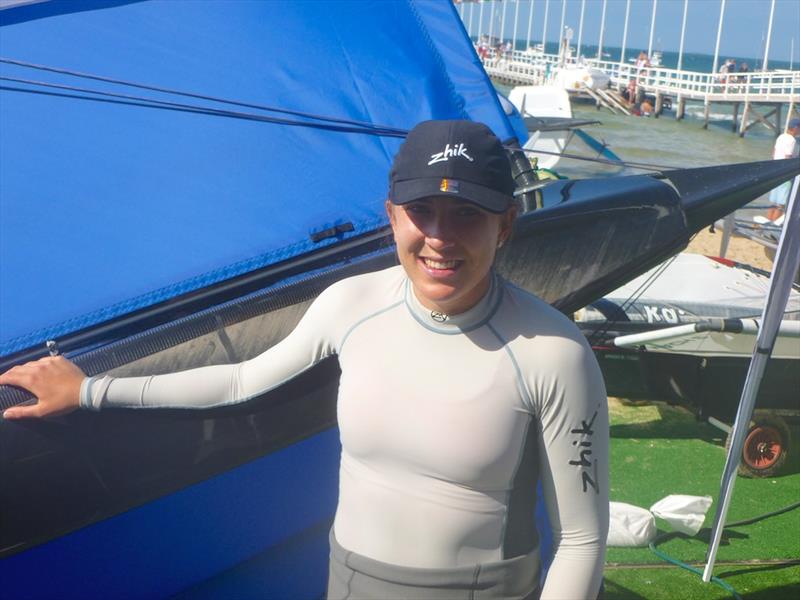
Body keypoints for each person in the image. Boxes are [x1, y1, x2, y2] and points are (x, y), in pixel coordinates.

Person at [1, 120, 609, 600]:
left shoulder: (553, 355)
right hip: (348, 579)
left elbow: (581, 538)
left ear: (506, 224)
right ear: (392, 215)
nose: (440, 238)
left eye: (468, 215)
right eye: (422, 211)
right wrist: (89, 391)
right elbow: (241, 380)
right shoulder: (352, 304)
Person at [767, 117, 800, 222]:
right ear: (795, 128)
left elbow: (773, 153)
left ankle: (769, 221)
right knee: (781, 203)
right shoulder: (792, 140)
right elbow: (788, 158)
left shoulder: (781, 136)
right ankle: (773, 224)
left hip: (775, 171)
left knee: (773, 201)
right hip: (785, 174)